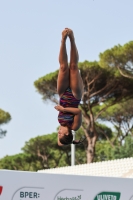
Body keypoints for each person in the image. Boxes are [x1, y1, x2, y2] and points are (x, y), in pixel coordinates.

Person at [54, 28, 84, 146]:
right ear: (67, 134)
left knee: (62, 67)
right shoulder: (74, 126)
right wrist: (64, 110)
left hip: (63, 94)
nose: (58, 132)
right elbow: (78, 112)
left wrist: (61, 141)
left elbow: (60, 143)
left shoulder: (61, 123)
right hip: (75, 96)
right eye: (61, 134)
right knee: (73, 67)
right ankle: (72, 39)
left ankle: (63, 39)